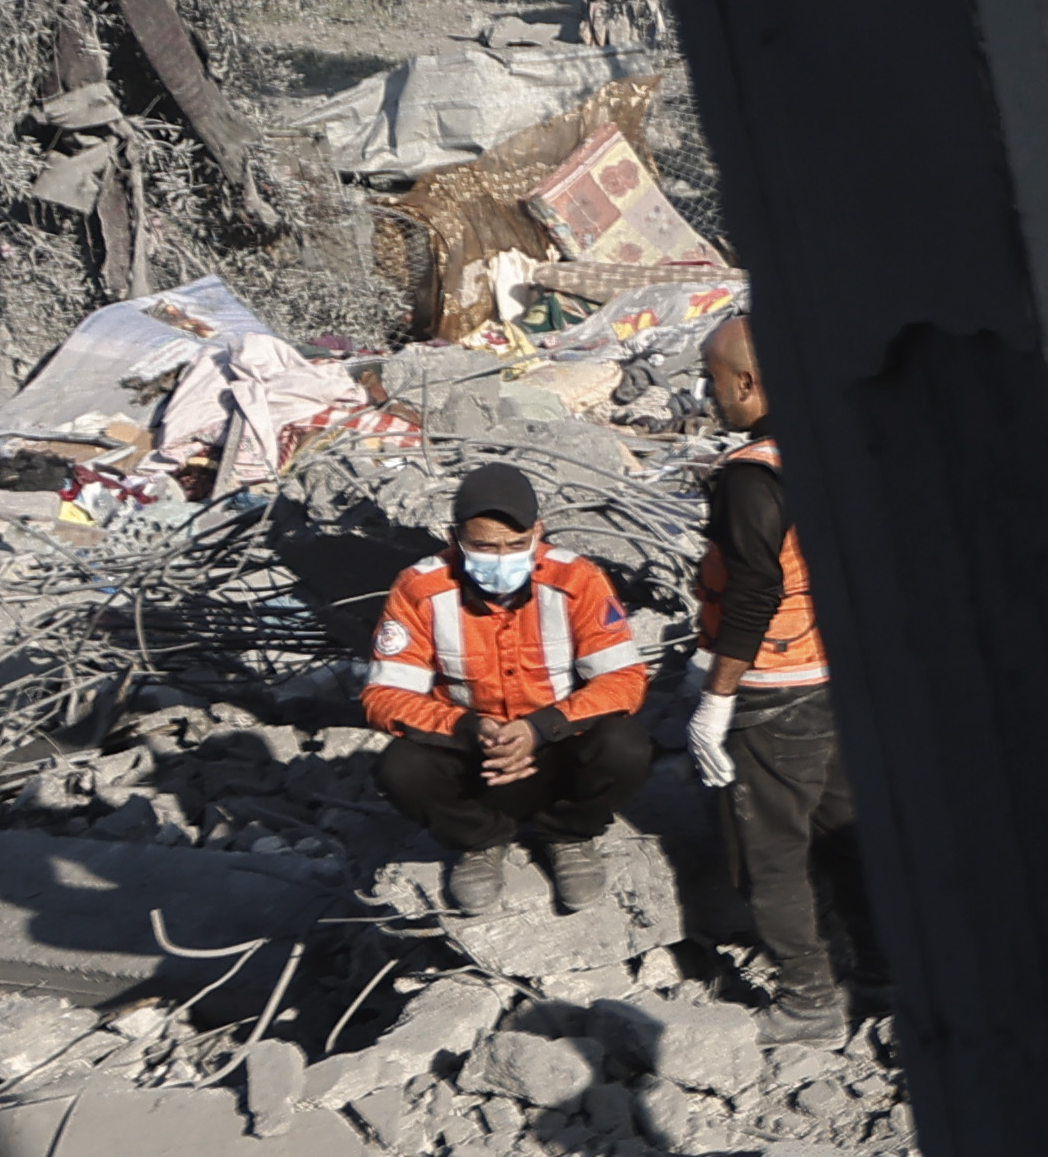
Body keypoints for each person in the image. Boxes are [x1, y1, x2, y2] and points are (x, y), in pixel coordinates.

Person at [364, 465, 660, 918]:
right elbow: (385, 695)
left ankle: (567, 834)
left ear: (538, 534)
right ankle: (480, 841)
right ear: (455, 537)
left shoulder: (577, 581)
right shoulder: (420, 589)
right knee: (400, 768)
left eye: (515, 545)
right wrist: (468, 729)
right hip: (474, 753)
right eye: (483, 546)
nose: (500, 558)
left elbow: (624, 680)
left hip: (556, 746)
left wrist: (542, 728)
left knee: (627, 747)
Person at [686, 319, 852, 1010]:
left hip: (776, 687)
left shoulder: (753, 477)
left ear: (747, 382)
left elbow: (754, 591)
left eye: (716, 380)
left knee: (772, 851)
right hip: (836, 680)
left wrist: (716, 698)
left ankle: (807, 997)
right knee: (845, 831)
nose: (711, 393)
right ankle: (876, 971)